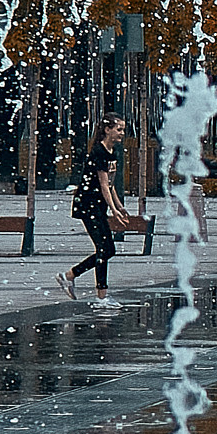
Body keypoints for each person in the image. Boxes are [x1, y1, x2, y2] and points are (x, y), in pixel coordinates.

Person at [58, 114, 128, 306]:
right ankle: (100, 295)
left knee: (108, 249)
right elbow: (103, 185)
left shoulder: (111, 152)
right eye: (119, 129)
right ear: (107, 130)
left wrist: (119, 206)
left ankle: (71, 275)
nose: (122, 133)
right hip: (88, 204)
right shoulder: (99, 152)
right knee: (104, 248)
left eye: (122, 129)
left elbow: (111, 185)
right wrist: (113, 210)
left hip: (98, 205)